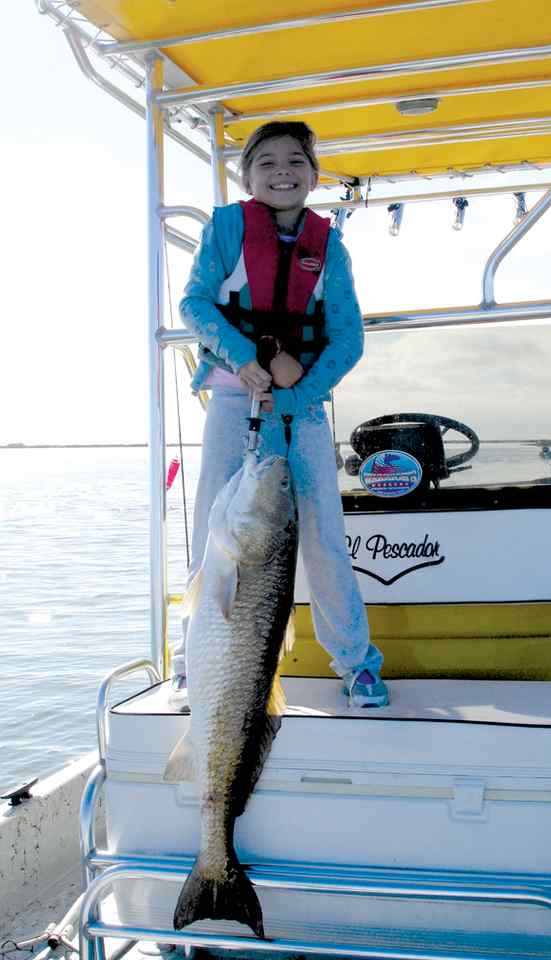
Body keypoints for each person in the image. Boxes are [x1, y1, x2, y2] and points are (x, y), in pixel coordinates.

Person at [172, 120, 388, 709]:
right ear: (247, 176)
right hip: (235, 401)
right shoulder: (224, 230)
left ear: (315, 175)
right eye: (266, 162)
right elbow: (194, 303)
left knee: (323, 537)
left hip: (303, 409)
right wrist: (244, 360)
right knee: (214, 534)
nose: (283, 171)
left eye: (296, 161)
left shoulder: (330, 247)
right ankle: (192, 665)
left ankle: (356, 663)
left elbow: (347, 338)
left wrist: (296, 394)